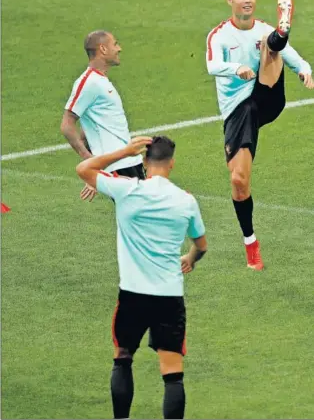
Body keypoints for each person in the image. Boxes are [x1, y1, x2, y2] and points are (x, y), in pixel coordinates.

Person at [76, 135, 207, 419]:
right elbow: (201, 245)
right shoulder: (186, 201)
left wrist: (124, 151)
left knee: (123, 359)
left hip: (133, 295)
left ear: (144, 162)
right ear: (171, 164)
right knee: (173, 376)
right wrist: (190, 259)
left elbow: (84, 169)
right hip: (169, 298)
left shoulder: (126, 190)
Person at [206, 0, 314, 270]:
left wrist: (305, 70)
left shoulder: (262, 29)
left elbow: (292, 57)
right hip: (239, 110)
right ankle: (250, 242)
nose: (247, 0)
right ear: (230, 1)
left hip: (266, 95)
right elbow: (212, 66)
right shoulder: (218, 35)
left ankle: (283, 30)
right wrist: (235, 68)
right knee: (239, 182)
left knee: (272, 45)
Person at [61, 30, 145, 203]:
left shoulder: (101, 81)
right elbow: (67, 124)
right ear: (103, 49)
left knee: (142, 220)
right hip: (117, 166)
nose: (119, 48)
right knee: (142, 221)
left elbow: (89, 127)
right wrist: (90, 162)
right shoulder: (88, 82)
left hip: (129, 161)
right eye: (115, 44)